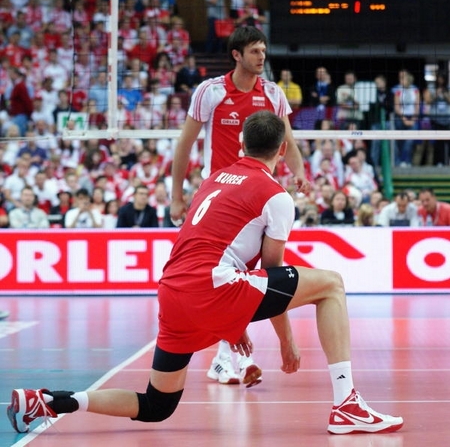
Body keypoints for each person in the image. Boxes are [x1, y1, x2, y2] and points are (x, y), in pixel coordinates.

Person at [7, 111, 403, 436]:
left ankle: (49, 401)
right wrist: (286, 341)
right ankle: (346, 404)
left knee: (157, 405)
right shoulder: (276, 196)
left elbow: (230, 258)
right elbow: (273, 271)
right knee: (331, 285)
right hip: (213, 287)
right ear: (283, 149)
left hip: (173, 290)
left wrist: (234, 318)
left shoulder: (214, 179)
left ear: (241, 144)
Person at [170, 26, 310, 387]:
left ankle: (226, 357)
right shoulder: (211, 91)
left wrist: (299, 173)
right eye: (254, 51)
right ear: (236, 55)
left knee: (245, 275)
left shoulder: (273, 93)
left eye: (263, 50)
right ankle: (226, 356)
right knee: (231, 274)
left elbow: (289, 140)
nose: (262, 57)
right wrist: (176, 195)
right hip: (221, 193)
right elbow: (184, 144)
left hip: (257, 194)